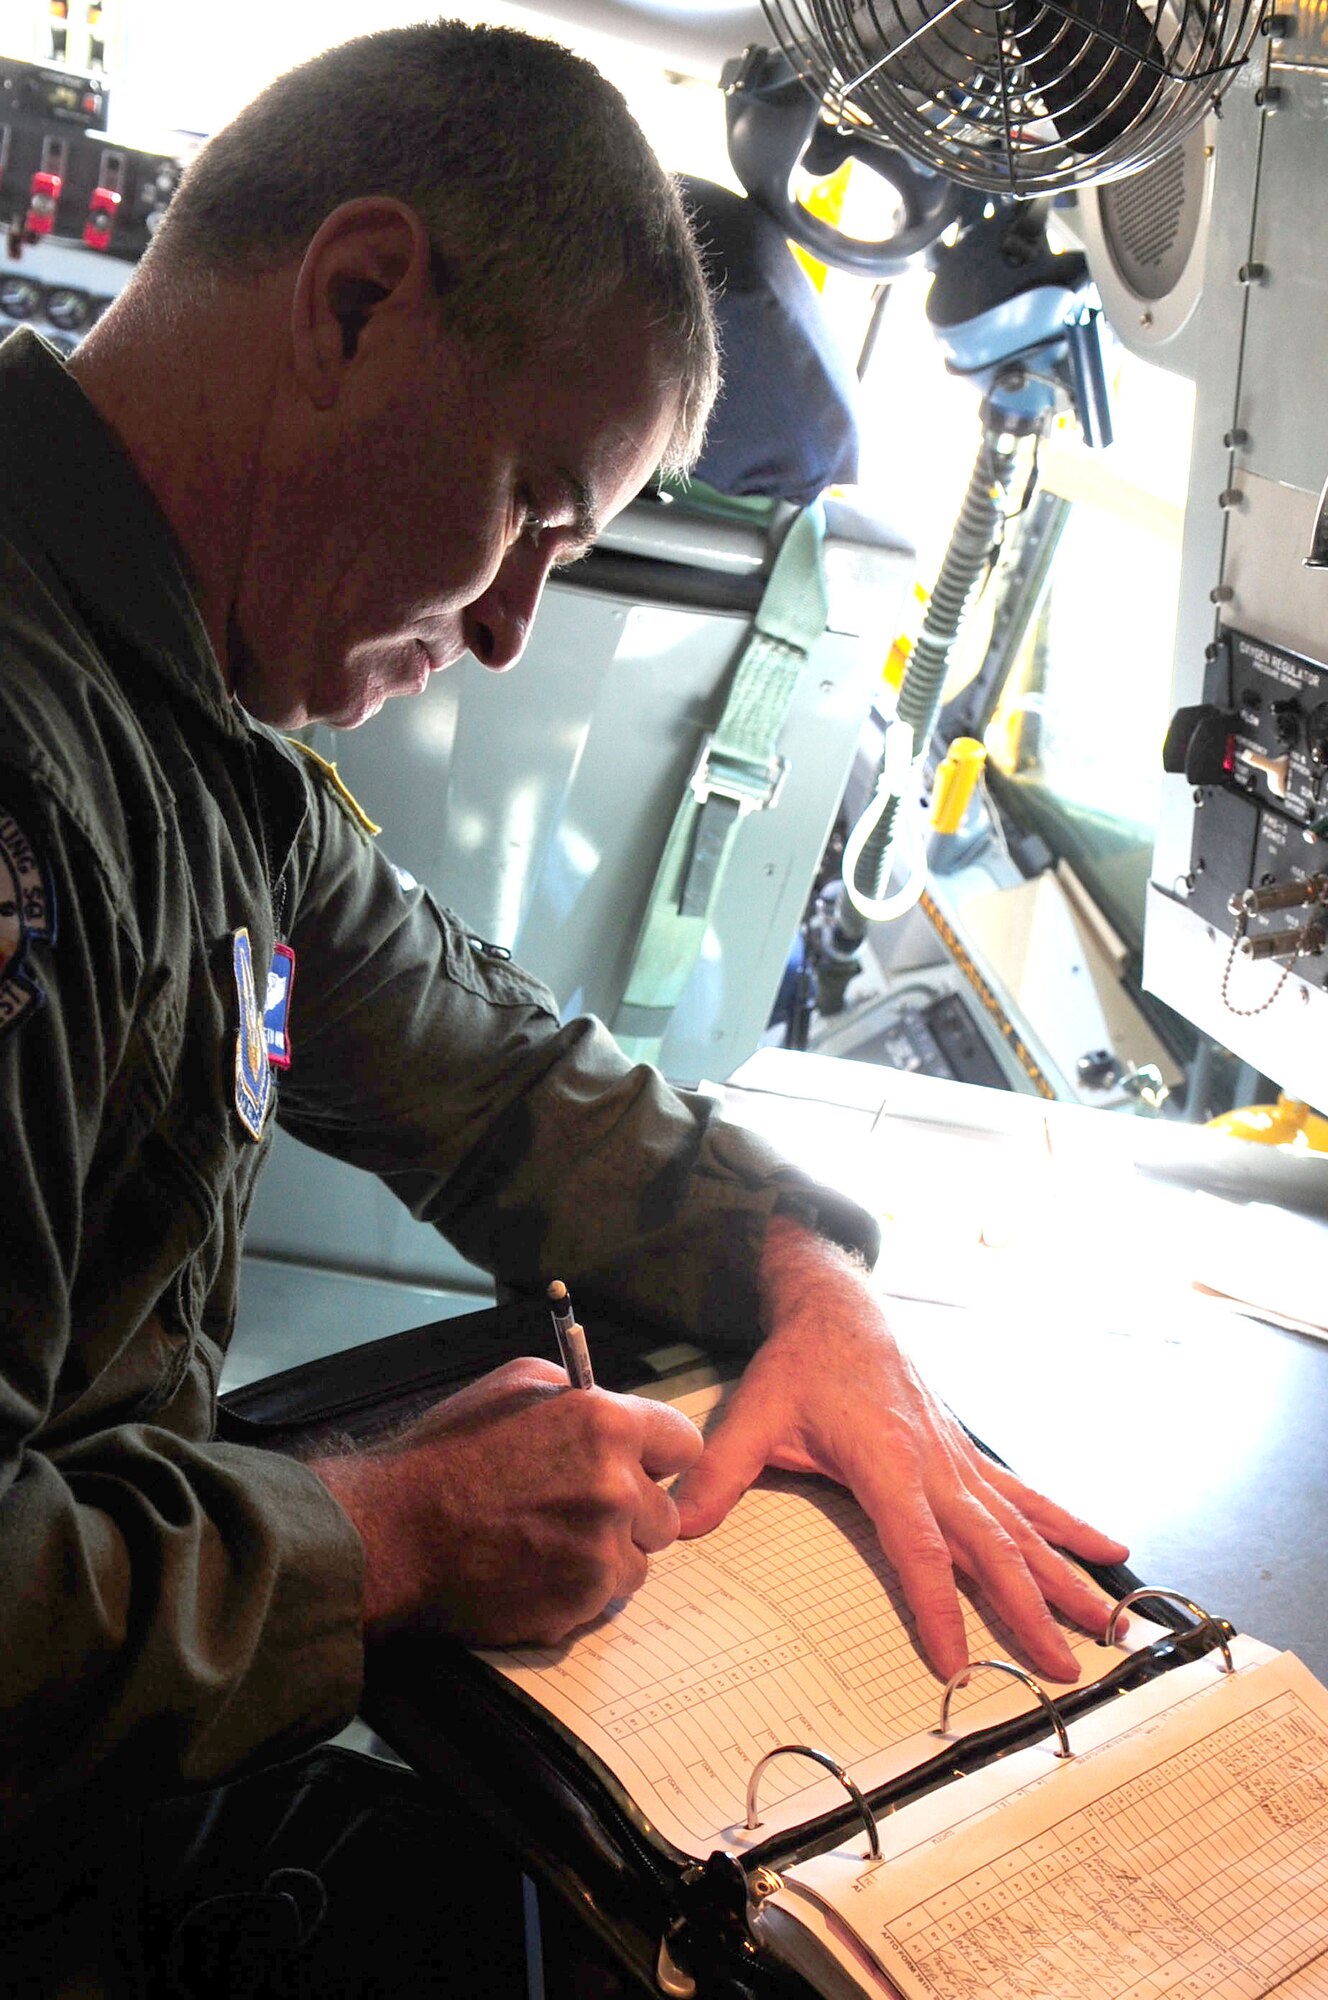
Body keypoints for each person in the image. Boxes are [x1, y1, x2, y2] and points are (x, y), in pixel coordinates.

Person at [0, 19, 1128, 1994]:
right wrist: (393, 1534)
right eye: (533, 501)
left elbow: (507, 1080)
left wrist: (804, 1278)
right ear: (353, 302)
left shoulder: (200, 732)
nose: (518, 625)